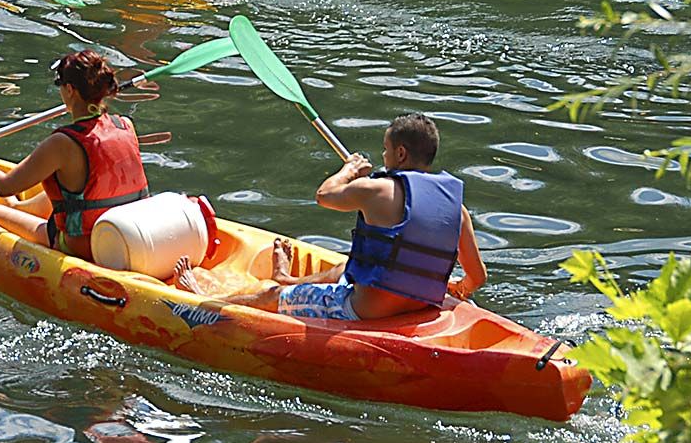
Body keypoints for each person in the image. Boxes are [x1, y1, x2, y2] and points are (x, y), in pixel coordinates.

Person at [177, 114, 485, 322]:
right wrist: (459, 288)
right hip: (420, 305)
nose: (385, 157)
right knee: (346, 265)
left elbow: (325, 195)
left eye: (386, 150)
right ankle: (290, 279)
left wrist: (349, 170)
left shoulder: (374, 190)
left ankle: (203, 300)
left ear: (401, 154)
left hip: (363, 310)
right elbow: (477, 277)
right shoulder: (456, 210)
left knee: (271, 295)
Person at [0, 50, 148, 263]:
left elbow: (4, 187)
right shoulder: (125, 124)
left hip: (85, 246)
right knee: (55, 195)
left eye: (60, 84)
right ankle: (16, 209)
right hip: (127, 233)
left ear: (70, 90)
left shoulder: (62, 143)